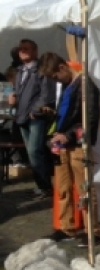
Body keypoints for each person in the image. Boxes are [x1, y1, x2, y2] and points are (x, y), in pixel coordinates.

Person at [38, 52, 100, 242]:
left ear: (63, 68)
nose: (55, 80)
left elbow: (90, 119)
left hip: (77, 144)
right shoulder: (66, 87)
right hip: (62, 144)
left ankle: (93, 230)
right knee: (63, 187)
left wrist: (70, 135)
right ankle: (67, 226)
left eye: (55, 76)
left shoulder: (85, 86)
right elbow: (65, 116)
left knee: (84, 187)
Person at [8, 39, 56, 198]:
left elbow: (46, 94)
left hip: (36, 117)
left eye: (26, 49)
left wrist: (35, 110)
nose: (23, 51)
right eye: (21, 49)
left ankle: (45, 186)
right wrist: (13, 98)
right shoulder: (20, 71)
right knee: (32, 153)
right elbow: (18, 92)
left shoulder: (41, 70)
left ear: (35, 51)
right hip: (22, 117)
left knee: (36, 151)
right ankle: (42, 186)